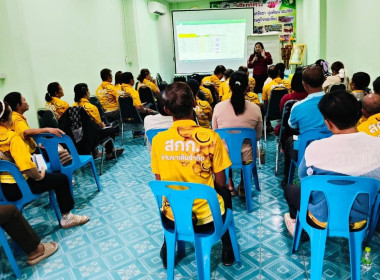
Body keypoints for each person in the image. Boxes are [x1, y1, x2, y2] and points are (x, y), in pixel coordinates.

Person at [151, 82, 236, 267]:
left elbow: (161, 183)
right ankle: (228, 249)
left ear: (166, 109)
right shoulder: (212, 138)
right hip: (209, 220)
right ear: (195, 102)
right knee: (225, 192)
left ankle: (168, 246)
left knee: (171, 197)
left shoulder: (158, 141)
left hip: (173, 218)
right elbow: (221, 183)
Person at [283, 90, 380, 236]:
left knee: (291, 190)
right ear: (360, 114)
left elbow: (304, 178)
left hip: (321, 218)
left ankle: (302, 230)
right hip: (360, 219)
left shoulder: (315, 148)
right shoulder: (377, 145)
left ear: (328, 123)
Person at [0, 101, 89, 229]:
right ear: (4, 120)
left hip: (3, 191)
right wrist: (39, 176)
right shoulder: (11, 138)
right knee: (61, 179)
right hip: (20, 188)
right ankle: (67, 217)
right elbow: (27, 168)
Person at [212, 71, 262, 197]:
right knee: (248, 148)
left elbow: (215, 134)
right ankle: (244, 185)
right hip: (247, 156)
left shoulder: (218, 107)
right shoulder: (256, 109)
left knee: (223, 146)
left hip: (224, 155)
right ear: (247, 87)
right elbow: (258, 136)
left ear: (229, 87)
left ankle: (229, 184)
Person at [282, 65, 326, 186]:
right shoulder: (334, 101)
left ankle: (287, 180)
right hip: (332, 147)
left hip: (306, 149)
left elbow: (292, 125)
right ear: (323, 80)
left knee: (289, 141)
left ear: (304, 84)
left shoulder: (298, 106)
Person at [73, 83, 123, 159]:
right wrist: (102, 124)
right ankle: (109, 152)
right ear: (86, 92)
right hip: (92, 137)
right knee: (110, 130)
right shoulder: (91, 107)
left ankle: (95, 152)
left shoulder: (73, 107)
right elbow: (100, 125)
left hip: (78, 138)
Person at [120, 72, 154, 137]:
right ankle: (140, 131)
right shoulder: (133, 92)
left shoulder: (118, 91)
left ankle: (137, 132)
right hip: (135, 116)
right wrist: (146, 110)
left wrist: (139, 104)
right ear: (131, 80)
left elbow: (127, 105)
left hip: (123, 117)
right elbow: (138, 108)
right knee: (151, 110)